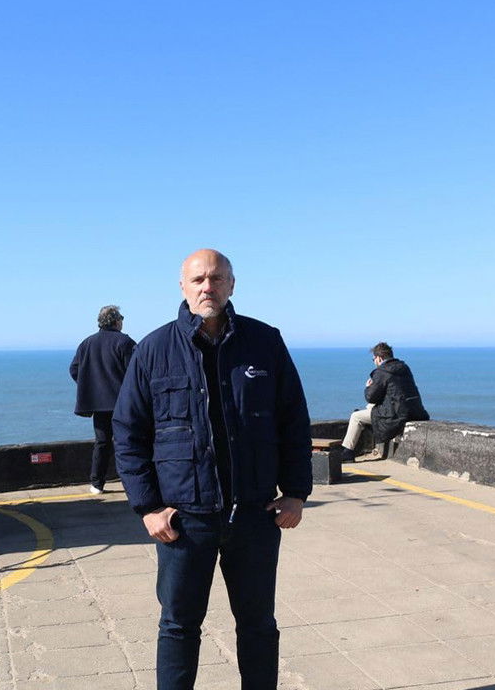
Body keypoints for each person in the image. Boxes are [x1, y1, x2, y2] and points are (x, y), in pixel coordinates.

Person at [114, 249, 312, 690]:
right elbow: (128, 433)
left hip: (255, 516)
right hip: (185, 522)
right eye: (199, 279)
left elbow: (293, 420)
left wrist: (297, 491)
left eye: (218, 278)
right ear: (183, 287)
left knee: (259, 625)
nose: (209, 287)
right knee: (179, 627)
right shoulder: (153, 349)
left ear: (232, 285)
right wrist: (146, 507)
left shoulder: (265, 342)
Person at [70, 305, 136, 495]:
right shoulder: (124, 342)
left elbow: (74, 369)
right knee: (127, 443)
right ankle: (131, 481)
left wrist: (89, 387)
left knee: (102, 443)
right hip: (123, 403)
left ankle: (97, 483)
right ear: (116, 321)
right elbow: (136, 372)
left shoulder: (87, 343)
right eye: (121, 318)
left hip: (98, 404)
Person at [338, 342, 429, 461]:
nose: (374, 362)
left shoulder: (382, 372)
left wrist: (368, 387)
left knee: (356, 416)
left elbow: (371, 396)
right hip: (415, 411)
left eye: (373, 359)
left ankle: (348, 452)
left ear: (379, 358)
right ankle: (366, 415)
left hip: (396, 415)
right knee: (370, 407)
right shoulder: (404, 368)